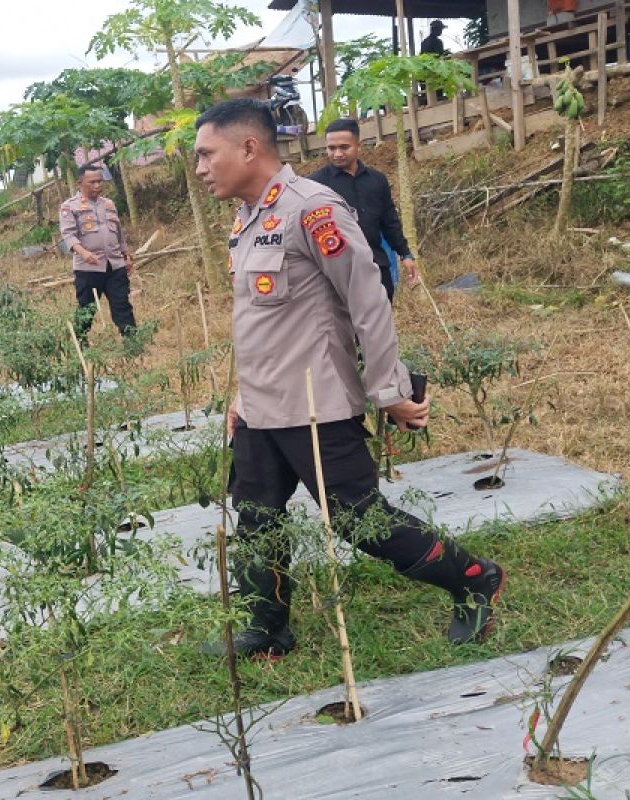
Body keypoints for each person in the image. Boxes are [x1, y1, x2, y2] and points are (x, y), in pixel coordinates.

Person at [193, 99, 505, 659]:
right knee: (256, 518)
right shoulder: (247, 218)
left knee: (361, 523)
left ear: (248, 148)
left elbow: (369, 304)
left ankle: (474, 578)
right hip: (262, 407)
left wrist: (390, 392)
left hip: (315, 403)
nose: (200, 169)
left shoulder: (313, 210)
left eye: (206, 154)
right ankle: (267, 629)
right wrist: (241, 395)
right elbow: (261, 322)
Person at [309, 118, 419, 303]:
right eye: (331, 148)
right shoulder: (315, 184)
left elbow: (389, 220)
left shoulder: (376, 180)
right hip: (336, 271)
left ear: (358, 145)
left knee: (381, 319)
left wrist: (405, 254)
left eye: (344, 147)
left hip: (376, 264)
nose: (337, 154)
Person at [59, 165, 136, 341]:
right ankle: (80, 344)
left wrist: (126, 256)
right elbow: (68, 235)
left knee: (122, 304)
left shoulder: (109, 204)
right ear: (80, 183)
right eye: (92, 182)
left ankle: (133, 343)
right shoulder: (69, 207)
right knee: (87, 308)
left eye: (99, 181)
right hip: (88, 268)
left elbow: (118, 233)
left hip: (114, 265)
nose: (97, 185)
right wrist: (84, 253)